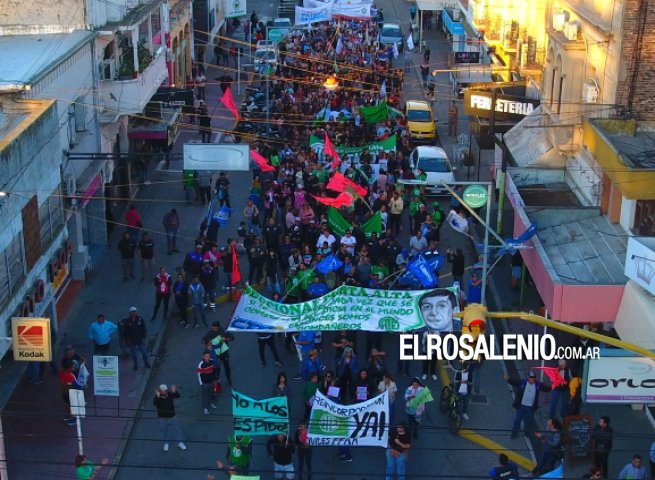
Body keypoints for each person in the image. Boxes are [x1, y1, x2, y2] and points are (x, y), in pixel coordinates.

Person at [504, 371, 551, 438]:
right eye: (531, 378)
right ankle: (514, 433)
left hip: (531, 408)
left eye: (534, 378)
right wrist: (508, 379)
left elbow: (545, 389)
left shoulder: (538, 384)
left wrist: (552, 386)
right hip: (521, 406)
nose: (532, 379)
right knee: (517, 421)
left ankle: (526, 432)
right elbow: (514, 382)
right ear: (528, 378)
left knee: (528, 422)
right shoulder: (522, 382)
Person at [153, 384, 187, 451]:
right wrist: (157, 396)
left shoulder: (169, 394)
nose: (165, 391)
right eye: (164, 390)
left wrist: (175, 391)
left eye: (166, 390)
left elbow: (177, 396)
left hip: (172, 417)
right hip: (162, 418)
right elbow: (155, 403)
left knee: (177, 430)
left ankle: (180, 442)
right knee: (164, 431)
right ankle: (166, 443)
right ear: (160, 391)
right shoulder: (158, 397)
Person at [203, 321, 234, 386]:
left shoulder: (223, 331)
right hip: (216, 354)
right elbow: (203, 340)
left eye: (215, 328)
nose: (213, 330)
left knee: (227, 366)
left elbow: (232, 338)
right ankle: (217, 381)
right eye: (213, 328)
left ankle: (229, 379)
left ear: (218, 327)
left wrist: (225, 339)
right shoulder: (210, 333)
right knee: (217, 368)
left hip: (224, 352)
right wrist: (208, 344)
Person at [198, 350, 217, 415]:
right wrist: (201, 384)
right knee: (205, 396)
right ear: (203, 356)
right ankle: (205, 408)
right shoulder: (201, 364)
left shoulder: (212, 361)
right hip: (205, 383)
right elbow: (199, 375)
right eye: (206, 356)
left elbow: (214, 371)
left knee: (210, 393)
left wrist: (215, 380)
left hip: (211, 381)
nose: (207, 357)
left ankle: (210, 403)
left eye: (208, 356)